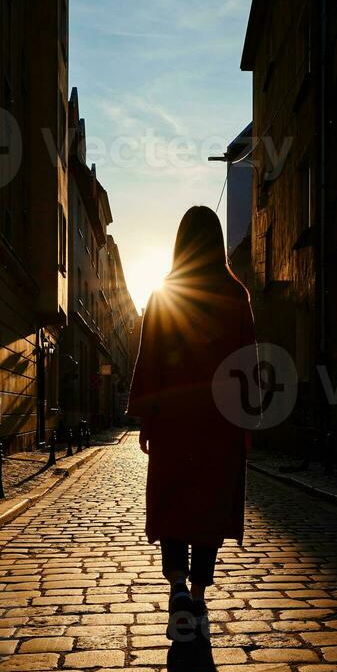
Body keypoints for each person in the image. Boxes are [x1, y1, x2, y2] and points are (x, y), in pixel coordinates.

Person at [127, 206, 258, 641]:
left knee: (174, 505)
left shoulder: (165, 292)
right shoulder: (235, 294)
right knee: (208, 509)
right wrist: (245, 422)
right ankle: (198, 597)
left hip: (174, 422)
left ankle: (178, 588)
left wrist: (147, 417)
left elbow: (150, 358)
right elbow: (246, 363)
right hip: (219, 425)